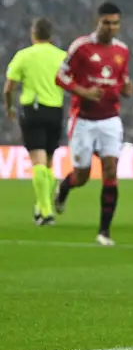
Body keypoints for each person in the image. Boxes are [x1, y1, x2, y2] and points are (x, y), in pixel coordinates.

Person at [54, 2, 133, 245]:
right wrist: (84, 92)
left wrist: (128, 88)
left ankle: (104, 232)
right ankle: (65, 188)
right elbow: (60, 76)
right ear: (96, 22)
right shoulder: (81, 48)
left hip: (110, 119)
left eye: (115, 23)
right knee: (82, 175)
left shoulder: (122, 51)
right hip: (84, 121)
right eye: (106, 22)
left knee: (110, 171)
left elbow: (123, 79)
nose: (111, 27)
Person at [3, 17, 67, 225]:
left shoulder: (24, 56)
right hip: (55, 110)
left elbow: (8, 88)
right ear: (51, 36)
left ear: (33, 34)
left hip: (34, 110)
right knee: (48, 161)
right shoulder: (62, 56)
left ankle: (45, 211)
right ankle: (41, 206)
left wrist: (9, 106)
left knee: (38, 161)